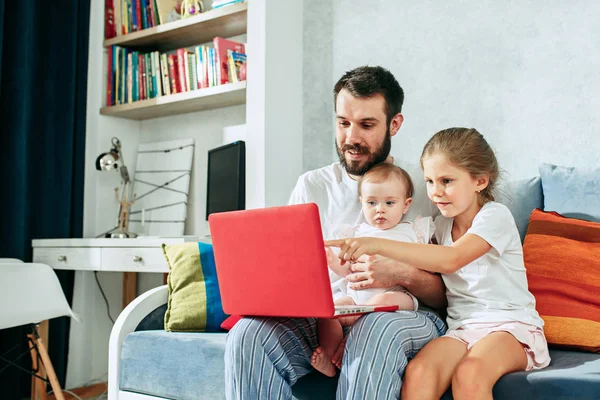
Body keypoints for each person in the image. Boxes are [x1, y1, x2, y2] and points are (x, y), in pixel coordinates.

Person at [225, 65, 447, 400]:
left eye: (367, 125)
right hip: (329, 316)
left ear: (394, 124)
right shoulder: (312, 186)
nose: (351, 138)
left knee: (375, 329)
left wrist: (399, 273)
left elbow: (447, 297)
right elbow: (291, 275)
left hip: (404, 314)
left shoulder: (427, 187)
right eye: (343, 123)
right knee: (248, 334)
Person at [326, 127, 550, 400]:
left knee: (470, 373)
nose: (436, 192)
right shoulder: (440, 226)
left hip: (509, 326)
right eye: (430, 182)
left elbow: (451, 259)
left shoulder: (494, 217)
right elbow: (423, 270)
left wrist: (377, 244)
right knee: (419, 371)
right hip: (462, 328)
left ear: (480, 181)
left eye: (446, 181)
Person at [312, 163, 422, 377]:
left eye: (389, 203)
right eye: (372, 203)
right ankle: (331, 355)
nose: (380, 209)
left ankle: (348, 343)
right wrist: (332, 261)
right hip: (355, 302)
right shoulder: (358, 234)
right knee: (329, 311)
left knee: (381, 302)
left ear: (406, 205)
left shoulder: (410, 232)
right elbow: (348, 272)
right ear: (362, 203)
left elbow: (421, 266)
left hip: (397, 299)